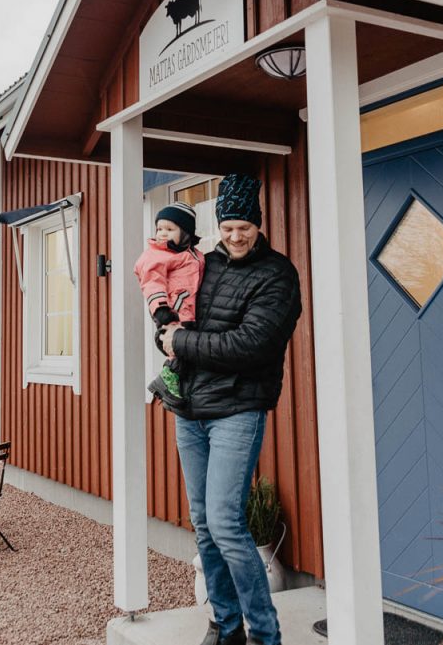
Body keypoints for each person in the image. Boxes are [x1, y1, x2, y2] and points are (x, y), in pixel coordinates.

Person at [159, 174, 302, 645]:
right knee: (202, 524)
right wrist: (166, 325)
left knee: (225, 522)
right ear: (217, 226)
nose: (235, 236)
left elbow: (250, 345)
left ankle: (264, 633)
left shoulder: (278, 275)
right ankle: (225, 624)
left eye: (244, 227)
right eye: (228, 227)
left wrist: (180, 341)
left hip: (238, 409)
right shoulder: (202, 264)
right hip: (190, 409)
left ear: (258, 226)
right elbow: (173, 312)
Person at [132, 200, 204, 407]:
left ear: (186, 233)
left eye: (170, 229)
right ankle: (165, 380)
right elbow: (152, 283)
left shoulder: (192, 255)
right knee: (178, 349)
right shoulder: (157, 255)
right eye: (159, 228)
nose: (162, 233)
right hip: (171, 312)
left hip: (188, 312)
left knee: (188, 351)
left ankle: (174, 381)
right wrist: (161, 310)